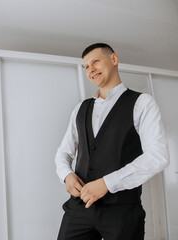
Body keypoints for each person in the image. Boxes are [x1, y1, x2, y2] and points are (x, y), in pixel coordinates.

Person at [55, 43, 169, 240]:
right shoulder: (80, 108)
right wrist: (66, 175)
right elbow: (64, 152)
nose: (90, 70)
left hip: (122, 212)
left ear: (114, 59)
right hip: (79, 209)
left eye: (95, 62)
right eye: (86, 67)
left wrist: (107, 183)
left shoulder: (142, 103)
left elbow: (158, 156)